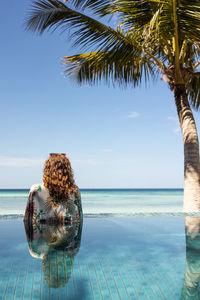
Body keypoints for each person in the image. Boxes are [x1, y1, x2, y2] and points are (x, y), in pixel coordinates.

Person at [24, 153, 82, 226]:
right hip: (68, 234)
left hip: (41, 235)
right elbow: (79, 219)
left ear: (47, 169)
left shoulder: (35, 189)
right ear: (68, 171)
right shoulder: (74, 190)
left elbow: (27, 219)